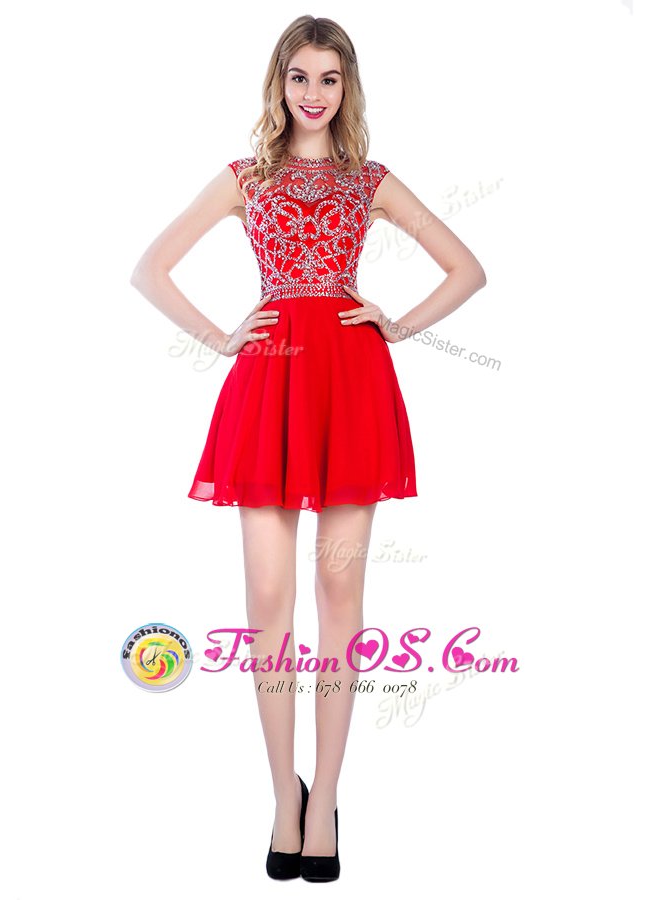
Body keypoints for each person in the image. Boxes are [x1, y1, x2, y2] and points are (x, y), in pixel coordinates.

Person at [130, 14, 486, 883]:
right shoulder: (245, 177)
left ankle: (324, 795)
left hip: (351, 385)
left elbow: (467, 269)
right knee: (266, 598)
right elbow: (149, 268)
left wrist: (399, 324)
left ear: (346, 85)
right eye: (300, 77)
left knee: (338, 591)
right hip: (269, 383)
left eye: (330, 78)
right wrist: (220, 338)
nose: (314, 94)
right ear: (279, 83)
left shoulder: (370, 180)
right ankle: (280, 795)